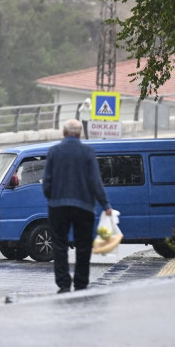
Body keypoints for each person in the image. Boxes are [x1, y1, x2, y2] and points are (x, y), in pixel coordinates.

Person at [42, 119, 112, 293]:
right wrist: (105, 204)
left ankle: (64, 284)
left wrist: (52, 197)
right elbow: (95, 181)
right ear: (80, 133)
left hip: (58, 206)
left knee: (59, 245)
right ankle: (81, 283)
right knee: (83, 245)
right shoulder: (87, 152)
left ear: (64, 133)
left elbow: (47, 182)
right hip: (84, 207)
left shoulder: (54, 152)